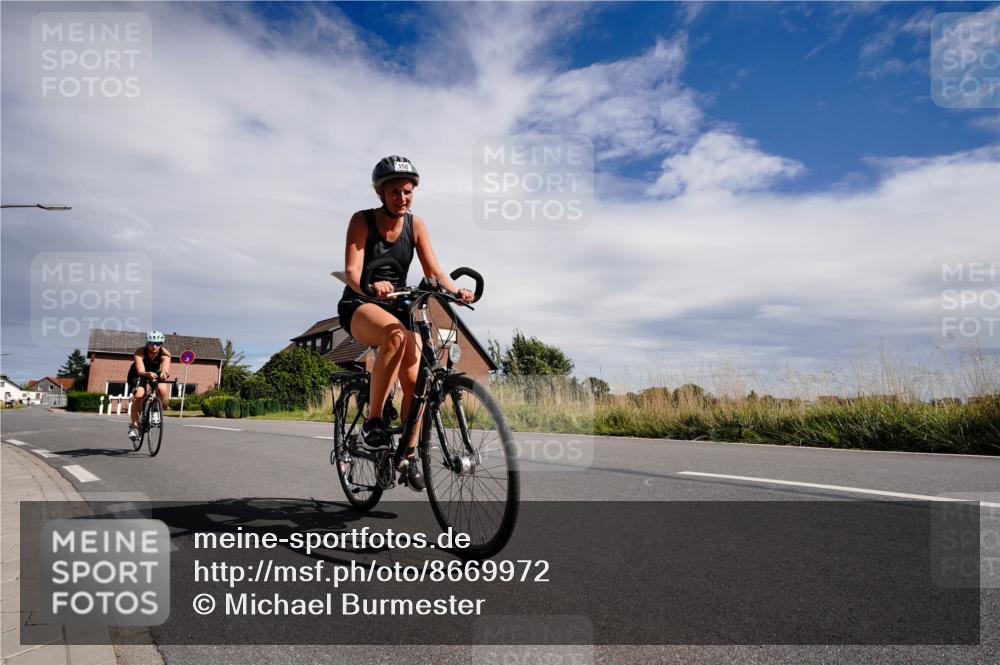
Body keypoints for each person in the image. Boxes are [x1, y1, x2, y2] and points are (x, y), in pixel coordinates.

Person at [337, 155, 474, 491]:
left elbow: (434, 271)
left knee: (418, 384)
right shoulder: (362, 221)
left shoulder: (416, 225)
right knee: (396, 336)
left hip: (400, 305)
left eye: (408, 191)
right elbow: (353, 271)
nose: (402, 198)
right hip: (360, 302)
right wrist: (370, 286)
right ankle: (374, 421)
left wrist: (456, 290)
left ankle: (407, 456)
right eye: (395, 191)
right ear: (381, 194)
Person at [128, 331, 172, 440]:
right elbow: (140, 371)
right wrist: (148, 374)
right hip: (139, 374)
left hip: (155, 372)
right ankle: (134, 426)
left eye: (158, 343)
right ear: (147, 343)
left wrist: (164, 373)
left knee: (162, 390)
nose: (154, 346)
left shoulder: (165, 354)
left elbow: (165, 368)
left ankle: (156, 411)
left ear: (161, 344)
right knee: (138, 395)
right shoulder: (140, 352)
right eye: (152, 343)